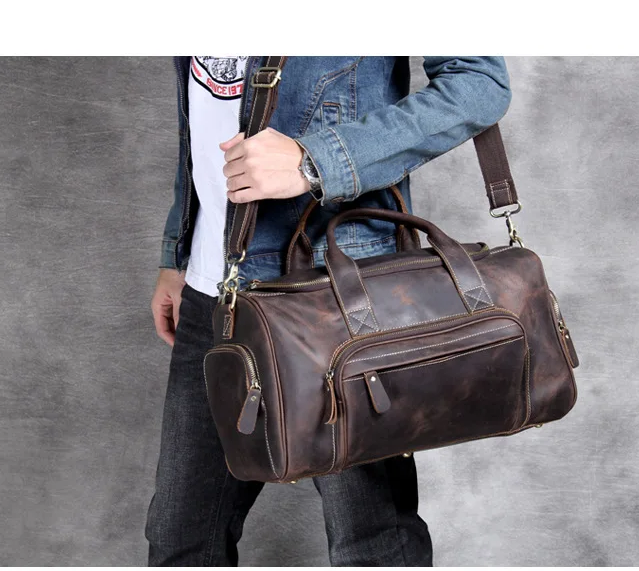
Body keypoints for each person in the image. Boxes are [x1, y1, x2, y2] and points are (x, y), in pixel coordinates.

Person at [146, 56, 511, 567]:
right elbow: (205, 120)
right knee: (181, 540)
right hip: (214, 292)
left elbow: (480, 84)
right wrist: (180, 252)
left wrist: (315, 160)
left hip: (334, 303)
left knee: (372, 541)